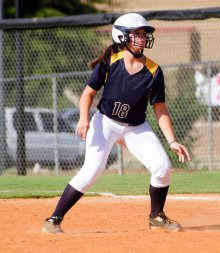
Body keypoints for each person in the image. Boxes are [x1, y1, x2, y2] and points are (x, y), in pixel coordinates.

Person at [42, 13, 191, 234]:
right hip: (106, 123)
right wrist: (84, 119)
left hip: (136, 128)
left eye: (144, 34)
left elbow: (160, 108)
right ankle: (53, 220)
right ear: (122, 36)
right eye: (137, 34)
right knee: (92, 171)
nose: (142, 38)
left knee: (163, 167)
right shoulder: (110, 61)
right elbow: (87, 94)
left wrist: (172, 141)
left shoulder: (153, 71)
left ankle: (156, 216)